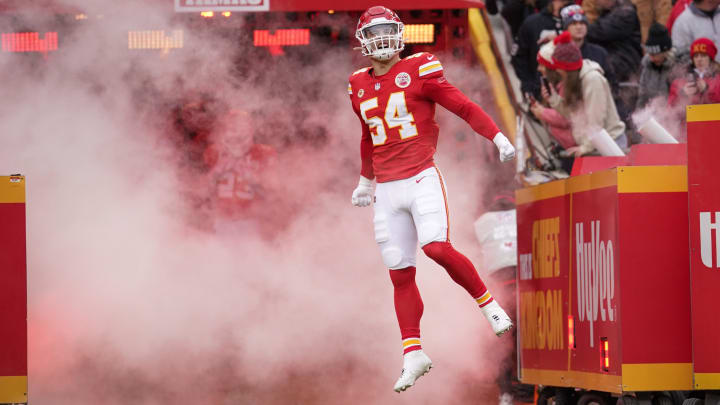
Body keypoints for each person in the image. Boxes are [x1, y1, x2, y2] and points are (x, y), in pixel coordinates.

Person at [347, 5, 516, 393]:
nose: (382, 39)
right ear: (363, 41)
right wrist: (365, 182)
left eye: (388, 30)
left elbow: (463, 106)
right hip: (387, 189)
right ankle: (413, 354)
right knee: (399, 272)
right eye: (374, 33)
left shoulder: (419, 68)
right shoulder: (356, 83)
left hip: (420, 176)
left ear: (400, 33)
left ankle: (488, 305)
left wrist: (497, 136)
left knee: (436, 248)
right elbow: (367, 136)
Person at [545, 32, 627, 156]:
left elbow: (596, 121)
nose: (557, 71)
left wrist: (585, 148)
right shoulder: (575, 79)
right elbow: (573, 115)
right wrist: (554, 100)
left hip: (609, 144)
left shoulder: (592, 80)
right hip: (593, 145)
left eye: (559, 68)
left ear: (568, 68)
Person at [512, 0, 573, 98]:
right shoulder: (532, 23)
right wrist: (528, 84)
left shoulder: (578, 24)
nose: (564, 4)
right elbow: (518, 57)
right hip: (539, 89)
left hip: (571, 91)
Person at [637, 22, 679, 108]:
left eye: (655, 55)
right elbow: (642, 96)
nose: (652, 58)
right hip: (652, 114)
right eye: (650, 54)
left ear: (666, 52)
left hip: (672, 114)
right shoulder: (647, 66)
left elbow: (680, 98)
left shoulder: (677, 66)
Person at [668, 37, 720, 105]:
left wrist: (707, 91)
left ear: (710, 58)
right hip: (689, 115)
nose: (699, 59)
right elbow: (670, 108)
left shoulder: (717, 79)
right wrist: (682, 94)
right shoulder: (680, 79)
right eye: (696, 56)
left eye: (703, 55)